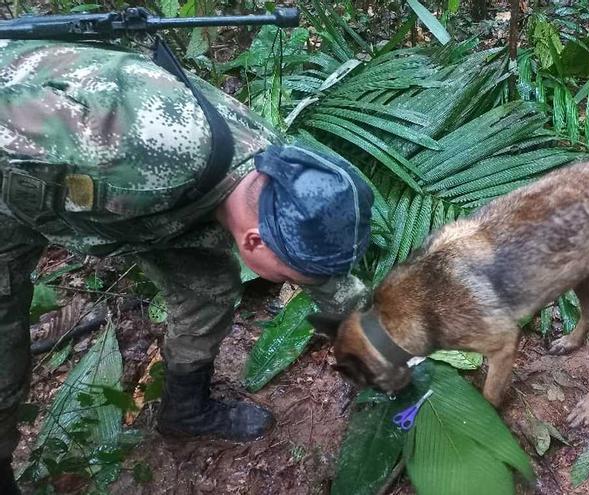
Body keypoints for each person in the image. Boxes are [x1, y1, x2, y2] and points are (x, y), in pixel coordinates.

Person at [0, 38, 373, 494]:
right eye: (289, 278)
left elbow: (324, 274)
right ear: (253, 240)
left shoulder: (277, 172)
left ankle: (185, 411)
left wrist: (378, 341)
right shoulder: (137, 162)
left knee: (208, 289)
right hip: (18, 182)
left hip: (125, 201)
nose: (294, 285)